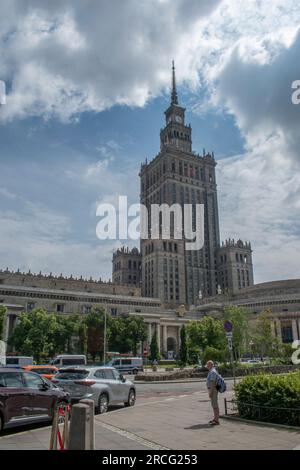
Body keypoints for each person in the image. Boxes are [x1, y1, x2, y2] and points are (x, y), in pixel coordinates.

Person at [206, 360, 220, 426]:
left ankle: (216, 420)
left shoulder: (212, 372)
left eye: (207, 365)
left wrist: (210, 392)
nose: (207, 366)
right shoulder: (212, 371)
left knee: (215, 405)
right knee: (214, 405)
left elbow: (212, 382)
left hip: (213, 390)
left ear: (211, 365)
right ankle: (215, 418)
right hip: (213, 389)